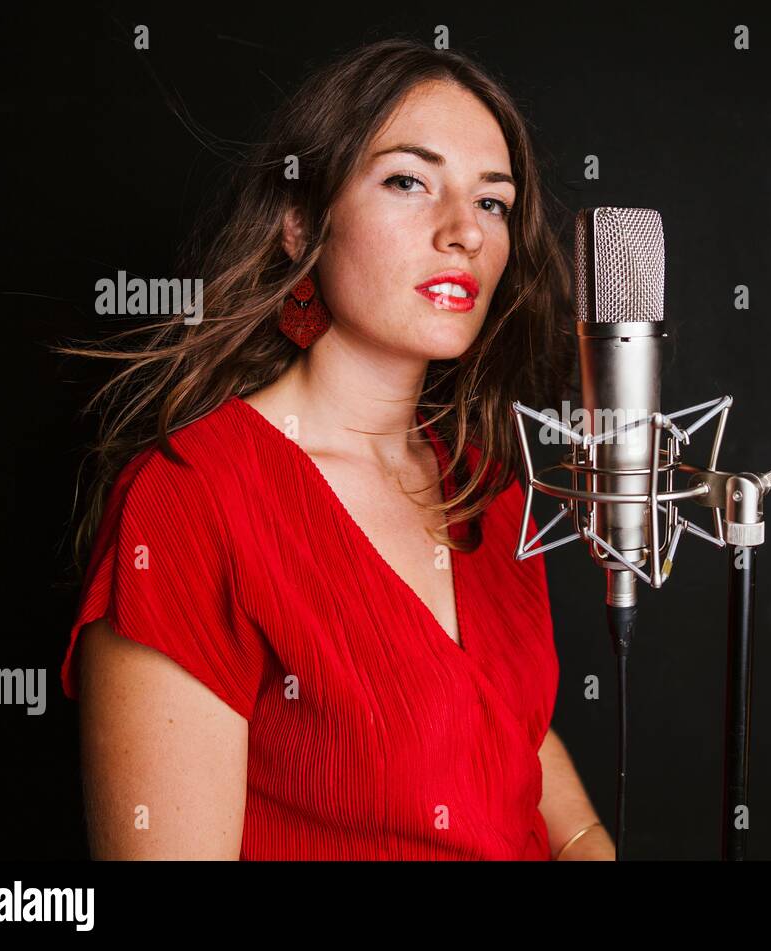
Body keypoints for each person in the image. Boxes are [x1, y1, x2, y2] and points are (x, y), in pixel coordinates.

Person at [53, 37, 613, 860]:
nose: (463, 231)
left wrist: (588, 843)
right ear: (299, 223)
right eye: (408, 182)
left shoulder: (490, 489)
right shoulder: (189, 501)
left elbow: (510, 735)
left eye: (492, 202)